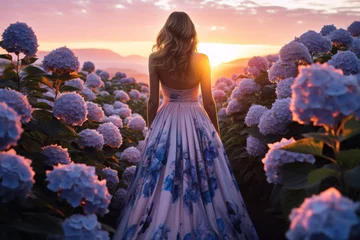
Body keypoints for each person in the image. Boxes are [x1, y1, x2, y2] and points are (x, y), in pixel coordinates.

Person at [114, 11, 259, 240]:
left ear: (167, 31)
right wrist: (215, 133)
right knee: (202, 172)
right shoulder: (202, 59)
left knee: (162, 172)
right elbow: (209, 101)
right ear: (191, 31)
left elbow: (152, 101)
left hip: (166, 117)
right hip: (196, 117)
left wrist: (153, 131)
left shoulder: (156, 59)